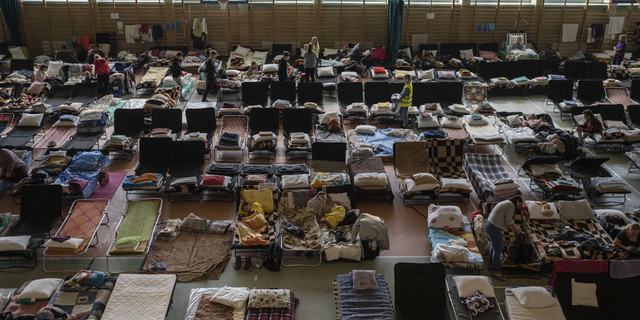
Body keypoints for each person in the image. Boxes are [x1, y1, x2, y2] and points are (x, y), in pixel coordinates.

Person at [485, 196, 523, 281]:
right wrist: (516, 228)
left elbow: (507, 222)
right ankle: (497, 272)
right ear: (517, 200)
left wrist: (514, 228)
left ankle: (491, 264)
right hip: (494, 227)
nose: (518, 206)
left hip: (489, 224)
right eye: (519, 204)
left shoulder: (506, 202)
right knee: (498, 250)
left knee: (494, 246)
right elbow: (509, 221)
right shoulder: (511, 206)